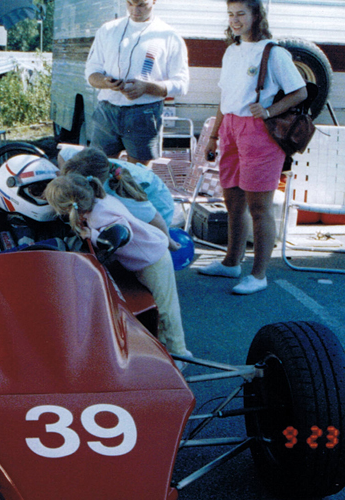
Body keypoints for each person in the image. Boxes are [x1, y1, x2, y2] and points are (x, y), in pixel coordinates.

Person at [198, 0, 307, 295]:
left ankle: (259, 275)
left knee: (259, 207)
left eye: (241, 14)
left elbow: (300, 91)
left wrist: (270, 111)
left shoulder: (274, 53)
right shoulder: (232, 51)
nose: (235, 20)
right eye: (231, 15)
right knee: (232, 201)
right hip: (231, 127)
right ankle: (231, 262)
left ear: (256, 15)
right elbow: (225, 97)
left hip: (258, 132)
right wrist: (214, 134)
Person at [44, 173, 191, 366]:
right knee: (157, 307)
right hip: (140, 259)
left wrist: (94, 236)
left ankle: (180, 353)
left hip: (153, 259)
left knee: (166, 308)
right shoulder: (97, 203)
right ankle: (163, 346)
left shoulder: (102, 214)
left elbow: (121, 233)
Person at [84, 0, 190, 165]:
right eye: (130, 3)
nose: (135, 10)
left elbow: (182, 83)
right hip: (107, 111)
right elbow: (91, 73)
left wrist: (146, 87)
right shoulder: (108, 30)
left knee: (138, 177)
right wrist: (106, 82)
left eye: (141, 5)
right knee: (98, 169)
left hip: (144, 114)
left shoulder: (169, 36)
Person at [60, 147, 180, 250]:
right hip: (142, 192)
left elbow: (155, 218)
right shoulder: (83, 164)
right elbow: (63, 153)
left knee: (144, 242)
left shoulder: (122, 194)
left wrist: (170, 242)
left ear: (91, 183)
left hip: (158, 205)